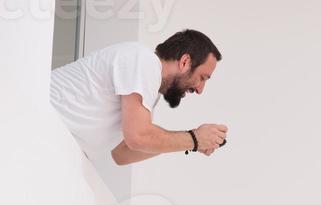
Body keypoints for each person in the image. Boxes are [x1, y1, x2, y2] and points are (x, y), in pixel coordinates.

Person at [50, 28, 228, 165]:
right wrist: (194, 138)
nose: (200, 89)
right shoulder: (143, 60)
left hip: (53, 139)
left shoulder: (147, 83)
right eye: (202, 78)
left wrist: (190, 142)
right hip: (40, 123)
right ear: (185, 62)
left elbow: (122, 154)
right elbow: (138, 137)